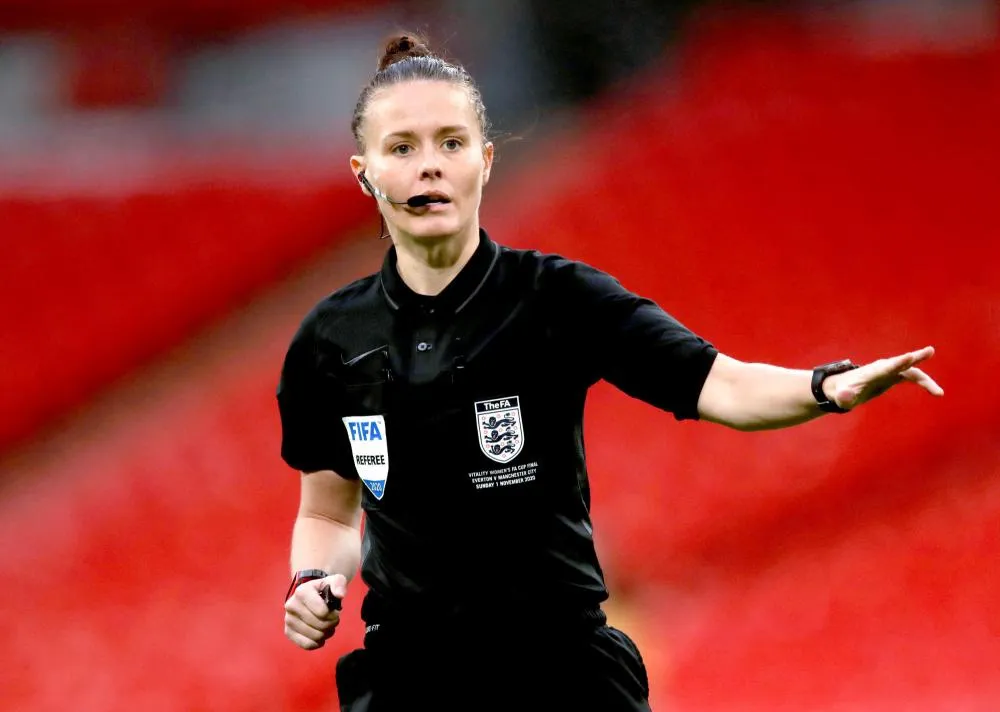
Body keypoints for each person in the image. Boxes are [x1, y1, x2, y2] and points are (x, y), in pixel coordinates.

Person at [277, 34, 943, 712]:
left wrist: (824, 387)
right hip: (411, 679)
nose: (430, 168)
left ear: (485, 160)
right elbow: (328, 511)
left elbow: (721, 384)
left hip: (561, 670)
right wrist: (314, 579)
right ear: (365, 172)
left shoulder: (558, 299)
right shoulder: (331, 339)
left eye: (451, 144)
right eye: (402, 148)